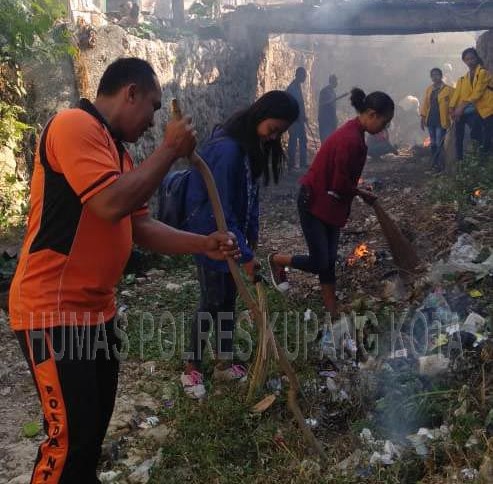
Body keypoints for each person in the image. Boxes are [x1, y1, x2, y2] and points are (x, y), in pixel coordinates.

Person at [8, 57, 238, 483]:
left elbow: (141, 227)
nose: (153, 121)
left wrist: (203, 244)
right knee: (68, 439)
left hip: (97, 313)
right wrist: (170, 150)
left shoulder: (117, 153)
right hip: (52, 313)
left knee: (91, 435)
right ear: (129, 93)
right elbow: (109, 203)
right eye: (152, 106)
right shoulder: (73, 126)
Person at [181, 90, 299, 399]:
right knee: (211, 299)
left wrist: (250, 241)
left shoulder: (249, 147)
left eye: (281, 132)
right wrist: (243, 253)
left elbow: (249, 199)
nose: (275, 137)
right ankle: (191, 365)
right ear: (261, 114)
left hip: (232, 238)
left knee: (229, 301)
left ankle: (224, 361)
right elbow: (222, 210)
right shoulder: (229, 150)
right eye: (274, 128)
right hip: (211, 236)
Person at [268, 88, 394, 317]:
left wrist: (356, 189)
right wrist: (360, 193)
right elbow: (339, 184)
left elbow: (341, 180)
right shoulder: (351, 140)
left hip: (329, 201)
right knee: (319, 261)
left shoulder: (354, 133)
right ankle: (277, 260)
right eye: (384, 123)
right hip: (314, 199)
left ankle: (331, 310)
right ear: (373, 114)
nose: (383, 128)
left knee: (328, 261)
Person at [449, 47, 493, 161]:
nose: (470, 61)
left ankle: (482, 161)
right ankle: (463, 161)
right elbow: (457, 94)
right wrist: (452, 108)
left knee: (485, 136)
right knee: (464, 136)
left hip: (487, 108)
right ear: (464, 61)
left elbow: (477, 93)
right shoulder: (463, 78)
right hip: (472, 109)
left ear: (476, 58)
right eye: (467, 59)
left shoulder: (482, 72)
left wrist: (461, 107)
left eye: (472, 58)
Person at [420, 67, 454, 171]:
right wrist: (422, 118)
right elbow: (425, 105)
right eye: (433, 75)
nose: (435, 77)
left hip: (442, 120)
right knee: (433, 142)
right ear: (431, 77)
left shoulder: (449, 90)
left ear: (441, 76)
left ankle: (441, 164)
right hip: (431, 120)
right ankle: (435, 163)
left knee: (440, 142)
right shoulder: (429, 89)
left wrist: (452, 116)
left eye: (437, 75)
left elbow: (453, 104)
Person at [286, 67, 308, 170]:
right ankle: (291, 164)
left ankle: (303, 163)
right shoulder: (292, 88)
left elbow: (300, 104)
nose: (305, 77)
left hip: (299, 120)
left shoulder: (297, 86)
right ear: (298, 75)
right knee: (293, 141)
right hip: (294, 121)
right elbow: (292, 105)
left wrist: (303, 116)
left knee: (303, 140)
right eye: (304, 75)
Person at [318, 74, 338, 142]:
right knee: (325, 140)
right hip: (325, 120)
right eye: (336, 81)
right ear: (332, 81)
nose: (337, 83)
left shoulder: (333, 92)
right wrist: (329, 101)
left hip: (331, 121)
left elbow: (333, 108)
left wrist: (335, 119)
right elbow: (322, 104)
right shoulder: (324, 91)